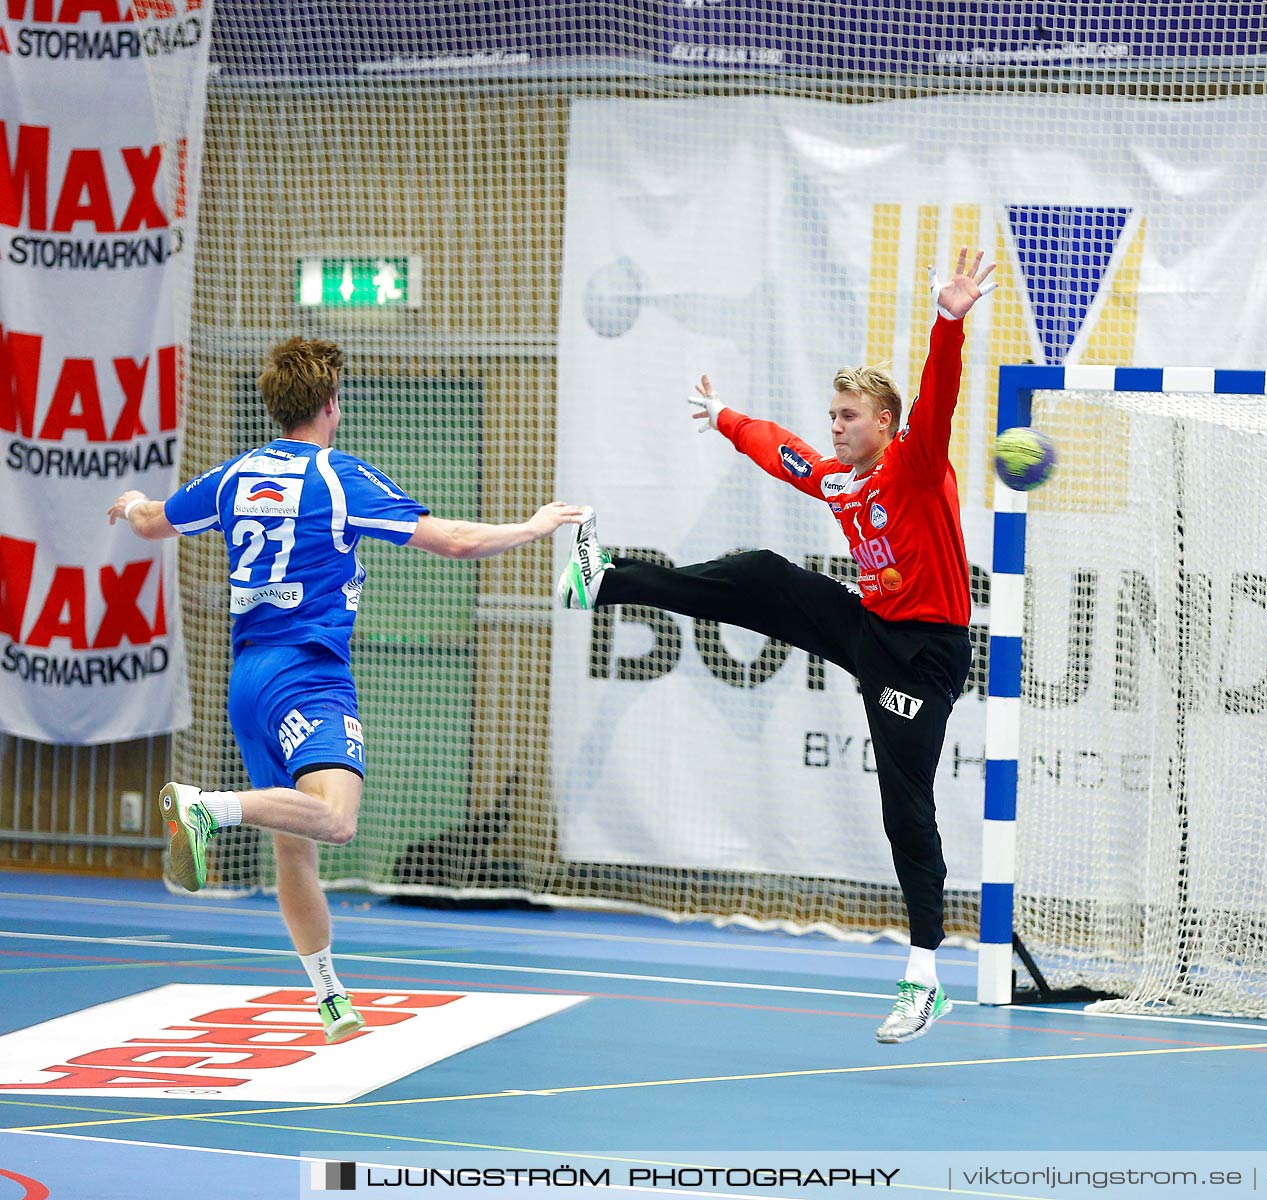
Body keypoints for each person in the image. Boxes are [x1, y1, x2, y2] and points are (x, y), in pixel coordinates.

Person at [558, 247, 997, 1044]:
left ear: (885, 424)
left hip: (925, 655)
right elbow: (782, 452)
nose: (836, 427)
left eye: (849, 417)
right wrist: (727, 418)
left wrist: (948, 319)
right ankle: (606, 579)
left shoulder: (917, 465)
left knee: (906, 810)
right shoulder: (840, 479)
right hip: (871, 629)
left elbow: (940, 395)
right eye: (832, 415)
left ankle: (925, 977)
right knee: (760, 573)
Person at [109, 337, 585, 1043]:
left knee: (295, 845)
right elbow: (451, 540)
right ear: (332, 405)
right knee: (335, 821)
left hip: (248, 679)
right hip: (308, 671)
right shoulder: (338, 477)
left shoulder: (236, 473)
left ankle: (333, 1002)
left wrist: (131, 501)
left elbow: (151, 524)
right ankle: (206, 809)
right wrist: (535, 526)